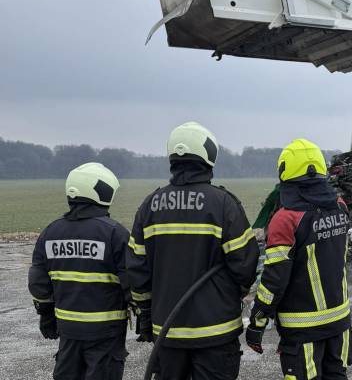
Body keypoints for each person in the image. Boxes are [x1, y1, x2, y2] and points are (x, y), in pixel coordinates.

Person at [126, 122, 259, 380]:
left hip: (167, 332)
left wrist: (146, 314)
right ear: (209, 156)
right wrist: (233, 294)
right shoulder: (223, 203)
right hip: (217, 331)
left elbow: (137, 270)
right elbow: (245, 265)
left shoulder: (150, 206)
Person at [246, 138, 352, 380]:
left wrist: (257, 323)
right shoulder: (340, 206)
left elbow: (274, 280)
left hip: (304, 331)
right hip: (340, 324)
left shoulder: (286, 219)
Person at [28, 162, 130, 380]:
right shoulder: (114, 233)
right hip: (106, 332)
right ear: (101, 192)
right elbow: (132, 281)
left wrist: (46, 314)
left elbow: (38, 282)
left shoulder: (50, 232)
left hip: (67, 330)